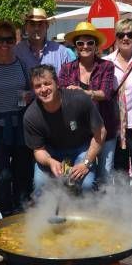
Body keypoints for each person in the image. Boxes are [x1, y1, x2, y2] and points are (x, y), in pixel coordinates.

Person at [0, 21, 34, 215]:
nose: (4, 44)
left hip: (21, 123)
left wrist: (28, 96)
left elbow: (32, 91)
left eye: (9, 39)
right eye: (0, 39)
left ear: (15, 41)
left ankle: (22, 212)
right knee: (2, 175)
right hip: (0, 127)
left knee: (22, 172)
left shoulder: (21, 63)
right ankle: (5, 214)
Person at [24, 64, 105, 195]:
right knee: (40, 184)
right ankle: (44, 213)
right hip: (51, 151)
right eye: (38, 86)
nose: (43, 89)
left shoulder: (79, 99)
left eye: (47, 83)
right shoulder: (31, 115)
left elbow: (100, 132)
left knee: (87, 185)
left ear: (57, 83)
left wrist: (86, 163)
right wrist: (50, 162)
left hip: (81, 148)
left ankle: (88, 211)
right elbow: (38, 150)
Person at [58, 21, 117, 186]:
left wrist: (82, 92)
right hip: (80, 132)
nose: (85, 46)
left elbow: (105, 93)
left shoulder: (106, 66)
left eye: (90, 42)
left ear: (96, 45)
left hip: (105, 128)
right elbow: (61, 95)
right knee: (80, 177)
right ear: (75, 46)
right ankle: (82, 209)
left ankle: (103, 210)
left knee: (105, 175)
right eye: (80, 43)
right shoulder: (67, 68)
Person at [102, 17, 132, 193]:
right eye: (121, 34)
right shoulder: (106, 62)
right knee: (118, 169)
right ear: (116, 37)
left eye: (130, 34)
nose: (125, 38)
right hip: (114, 125)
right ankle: (123, 207)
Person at [14, 8, 72, 74]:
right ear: (26, 27)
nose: (36, 28)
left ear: (47, 26)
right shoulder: (16, 52)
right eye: (32, 24)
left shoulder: (61, 52)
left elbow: (70, 80)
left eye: (40, 24)